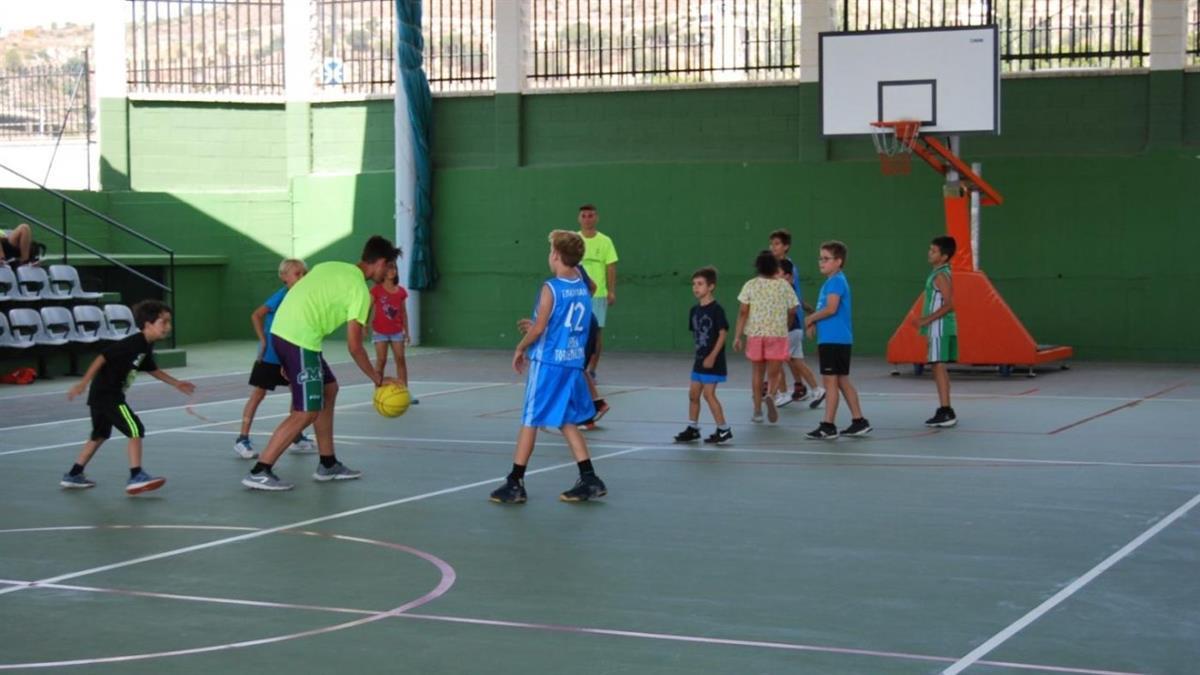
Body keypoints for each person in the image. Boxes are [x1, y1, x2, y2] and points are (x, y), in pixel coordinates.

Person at [241, 235, 401, 491]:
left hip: (289, 333)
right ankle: (261, 470)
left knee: (329, 388)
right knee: (306, 412)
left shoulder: (331, 265)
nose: (389, 272)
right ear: (380, 262)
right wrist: (377, 379)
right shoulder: (359, 291)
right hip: (299, 339)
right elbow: (355, 346)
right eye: (389, 266)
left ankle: (328, 463)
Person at [489, 230, 608, 504]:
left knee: (530, 420)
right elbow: (567, 313)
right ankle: (589, 478)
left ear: (555, 255)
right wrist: (550, 326)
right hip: (572, 361)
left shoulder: (551, 287)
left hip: (549, 364)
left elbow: (540, 327)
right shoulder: (581, 283)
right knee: (566, 420)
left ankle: (515, 482)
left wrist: (521, 346)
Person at [61, 300, 195, 494]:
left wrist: (177, 383)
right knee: (135, 429)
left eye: (169, 322)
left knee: (99, 435)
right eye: (163, 322)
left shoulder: (146, 346)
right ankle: (136, 475)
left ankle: (74, 474)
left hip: (101, 395)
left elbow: (153, 370)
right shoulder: (134, 343)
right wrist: (83, 383)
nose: (168, 327)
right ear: (148, 324)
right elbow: (102, 356)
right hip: (109, 395)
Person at [233, 259, 315, 459]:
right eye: (297, 274)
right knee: (258, 394)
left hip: (289, 353)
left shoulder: (302, 297)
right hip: (271, 354)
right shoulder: (282, 295)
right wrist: (263, 341)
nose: (301, 278)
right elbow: (256, 315)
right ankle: (242, 439)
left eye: (304, 274)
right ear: (284, 277)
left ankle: (295, 436)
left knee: (296, 393)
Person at [804, 241, 871, 439]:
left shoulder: (835, 282)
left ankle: (828, 425)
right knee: (842, 381)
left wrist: (810, 318)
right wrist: (815, 322)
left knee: (830, 382)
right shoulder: (831, 282)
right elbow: (828, 310)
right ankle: (859, 421)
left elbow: (831, 308)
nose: (821, 262)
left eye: (826, 259)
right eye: (820, 258)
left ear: (838, 261)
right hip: (836, 339)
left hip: (835, 340)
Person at [733, 251, 797, 424]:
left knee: (757, 373)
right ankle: (771, 394)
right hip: (777, 333)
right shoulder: (784, 286)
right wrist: (787, 324)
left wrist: (738, 336)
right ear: (775, 267)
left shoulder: (750, 285)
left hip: (756, 334)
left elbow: (743, 311)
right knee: (774, 373)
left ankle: (757, 411)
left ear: (758, 268)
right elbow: (793, 310)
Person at [674, 266, 731, 445]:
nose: (695, 288)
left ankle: (723, 429)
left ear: (711, 286)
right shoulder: (694, 310)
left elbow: (722, 334)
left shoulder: (717, 310)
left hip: (713, 361)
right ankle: (693, 428)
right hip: (699, 361)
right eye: (694, 284)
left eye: (700, 284)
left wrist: (712, 356)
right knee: (693, 394)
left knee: (709, 395)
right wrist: (700, 355)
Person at [914, 235, 959, 428]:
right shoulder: (940, 272)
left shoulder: (941, 275)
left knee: (938, 366)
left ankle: (946, 410)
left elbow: (949, 304)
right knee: (937, 366)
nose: (929, 253)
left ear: (944, 256)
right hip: (937, 327)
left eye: (933, 251)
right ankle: (945, 408)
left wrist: (926, 319)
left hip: (939, 327)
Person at [768, 229, 816, 403]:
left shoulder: (788, 269)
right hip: (786, 320)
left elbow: (792, 294)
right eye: (772, 244)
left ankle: (781, 392)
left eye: (777, 244)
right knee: (793, 358)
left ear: (786, 247)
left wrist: (807, 310)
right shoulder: (775, 267)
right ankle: (803, 387)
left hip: (789, 319)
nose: (773, 247)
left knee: (779, 358)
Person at [775, 259, 825, 411]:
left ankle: (783, 394)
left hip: (789, 331)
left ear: (789, 277)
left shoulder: (783, 290)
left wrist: (782, 330)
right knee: (798, 362)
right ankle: (817, 390)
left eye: (779, 273)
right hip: (796, 331)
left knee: (775, 362)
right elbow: (800, 304)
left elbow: (790, 311)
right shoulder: (789, 289)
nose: (775, 276)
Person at [577, 204, 618, 378]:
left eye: (591, 215)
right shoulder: (574, 240)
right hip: (577, 294)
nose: (587, 219)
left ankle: (591, 369)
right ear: (579, 219)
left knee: (596, 332)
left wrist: (611, 291)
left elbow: (611, 267)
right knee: (577, 331)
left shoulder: (605, 241)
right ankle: (577, 366)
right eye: (584, 216)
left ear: (597, 218)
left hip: (598, 295)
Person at [371, 260, 411, 388]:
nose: (392, 271)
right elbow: (366, 308)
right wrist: (364, 325)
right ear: (382, 272)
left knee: (400, 359)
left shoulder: (401, 292)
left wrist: (407, 332)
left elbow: (404, 313)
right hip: (380, 332)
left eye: (394, 268)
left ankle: (404, 390)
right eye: (388, 268)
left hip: (397, 332)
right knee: (381, 360)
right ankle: (378, 390)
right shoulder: (376, 290)